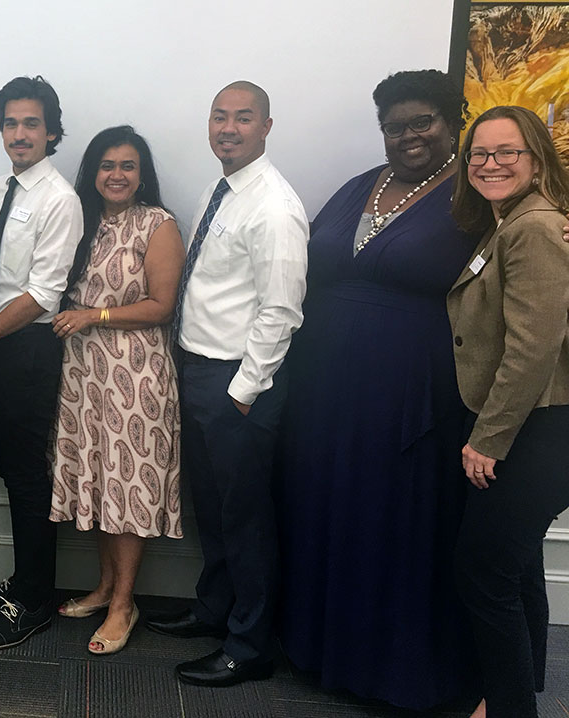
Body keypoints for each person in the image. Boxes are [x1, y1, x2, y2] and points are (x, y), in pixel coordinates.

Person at [276, 69, 477, 709]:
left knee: (390, 521)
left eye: (423, 122)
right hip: (325, 389)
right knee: (329, 508)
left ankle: (391, 671)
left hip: (410, 394)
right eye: (395, 126)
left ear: (453, 121)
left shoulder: (473, 196)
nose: (408, 135)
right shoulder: (361, 186)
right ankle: (320, 650)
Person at [145, 81, 308, 687]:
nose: (228, 129)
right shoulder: (225, 188)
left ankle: (249, 644)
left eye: (243, 119)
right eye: (219, 117)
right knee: (211, 508)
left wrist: (243, 391)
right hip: (201, 370)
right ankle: (216, 611)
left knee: (245, 518)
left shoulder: (273, 206)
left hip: (239, 384)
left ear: (267, 126)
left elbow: (281, 311)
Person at [0, 75, 84, 650]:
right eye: (11, 122)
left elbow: (45, 293)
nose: (20, 133)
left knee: (29, 476)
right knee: (9, 468)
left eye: (32, 123)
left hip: (28, 347)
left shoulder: (61, 199)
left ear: (52, 131)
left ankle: (34, 599)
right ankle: (23, 581)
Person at [449, 105, 569, 718]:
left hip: (534, 431)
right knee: (515, 570)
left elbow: (533, 349)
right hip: (527, 427)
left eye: (506, 153)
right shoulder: (508, 222)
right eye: (479, 154)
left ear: (535, 156)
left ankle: (511, 706)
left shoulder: (534, 228)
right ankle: (511, 697)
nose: (490, 164)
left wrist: (488, 439)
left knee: (485, 578)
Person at [48, 125, 185, 655]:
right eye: (108, 165)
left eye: (128, 166)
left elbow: (161, 305)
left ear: (142, 174)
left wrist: (94, 315)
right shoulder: (82, 222)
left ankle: (125, 604)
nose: (117, 175)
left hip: (135, 377)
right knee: (103, 482)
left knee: (130, 489)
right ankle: (105, 587)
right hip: (85, 374)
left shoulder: (158, 224)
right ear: (93, 172)